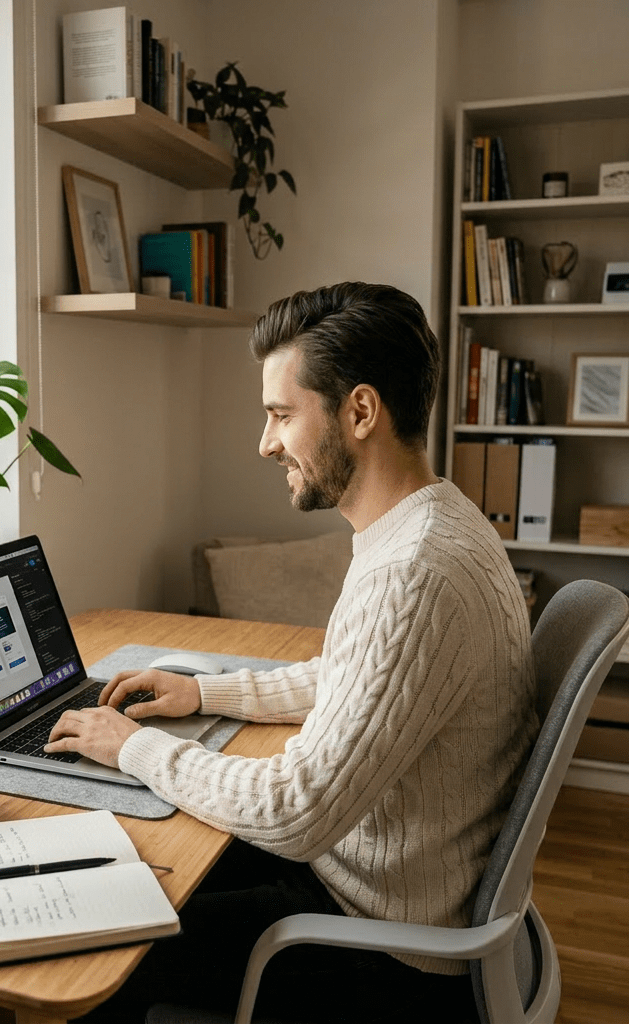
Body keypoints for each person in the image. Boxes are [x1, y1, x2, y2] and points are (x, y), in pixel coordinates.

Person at [45, 282, 539, 1022]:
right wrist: (206, 693)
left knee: (102, 950)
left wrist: (134, 747)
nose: (266, 443)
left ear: (360, 412)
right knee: (144, 854)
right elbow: (358, 677)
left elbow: (295, 811)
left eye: (281, 415)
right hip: (377, 884)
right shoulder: (432, 522)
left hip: (379, 946)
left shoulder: (415, 573)